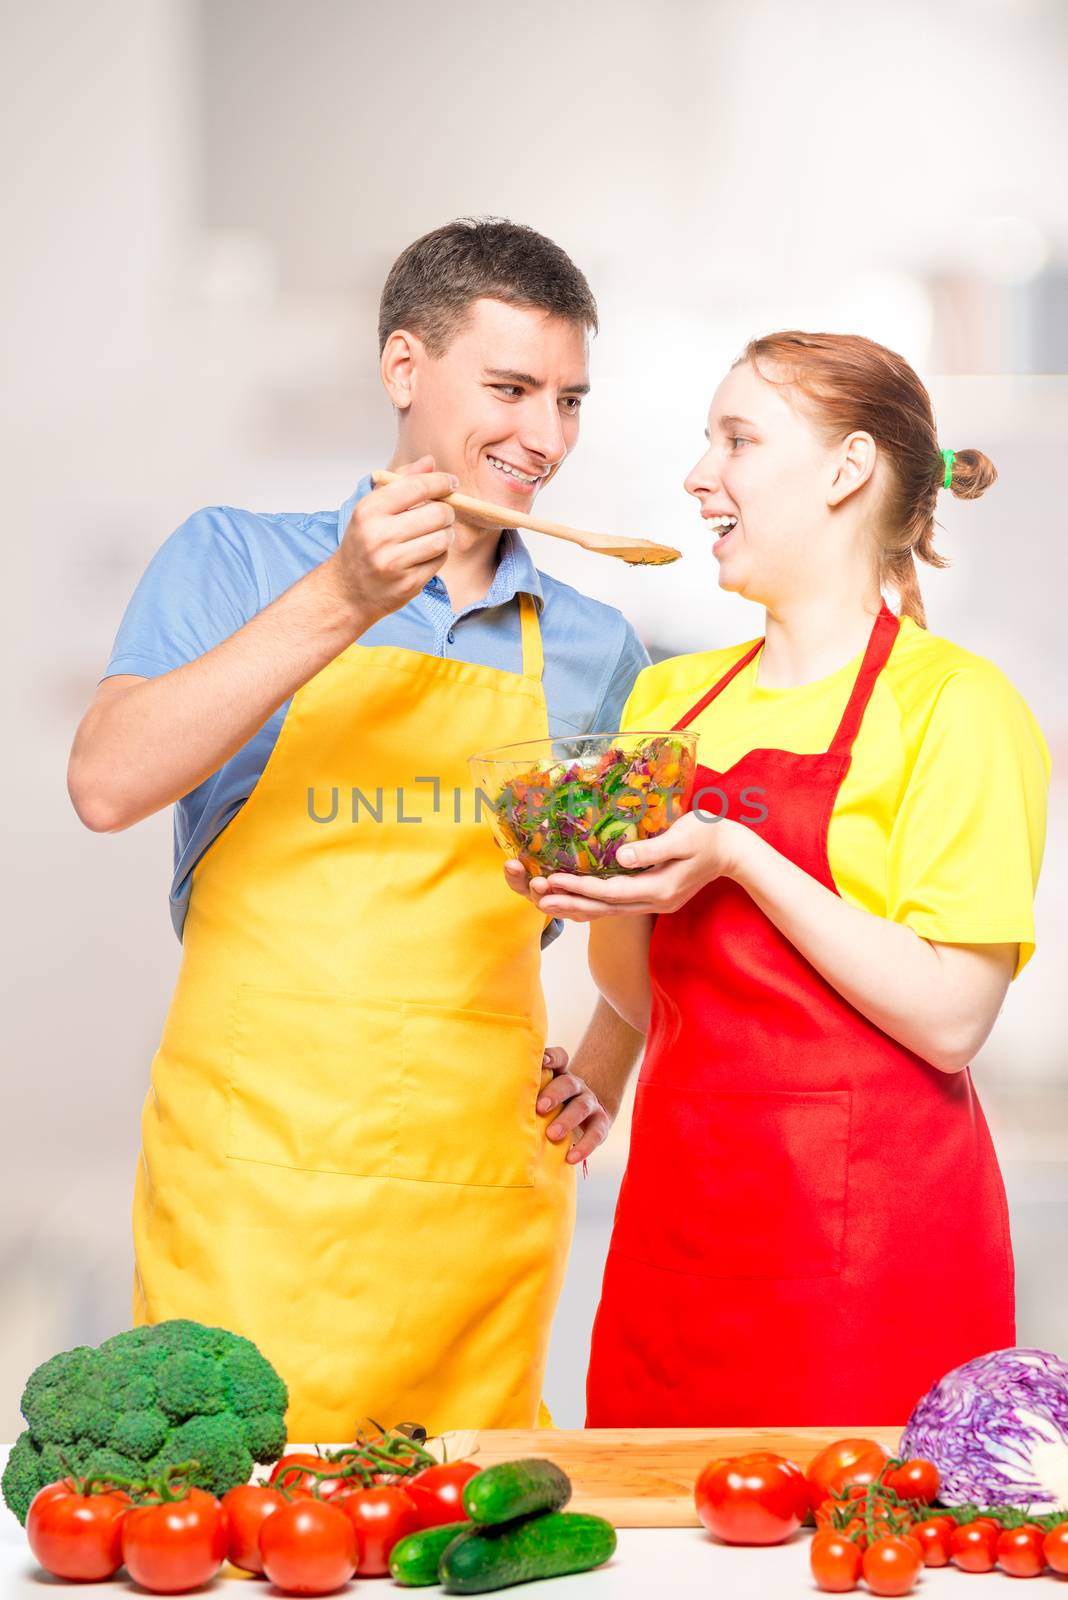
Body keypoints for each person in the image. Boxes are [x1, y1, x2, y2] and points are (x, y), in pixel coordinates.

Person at [68, 218, 650, 1439]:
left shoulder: (598, 647)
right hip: (251, 1187)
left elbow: (624, 905)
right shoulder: (236, 560)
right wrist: (343, 596)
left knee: (464, 1542)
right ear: (403, 369)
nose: (544, 438)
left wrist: (606, 1059)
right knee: (227, 1527)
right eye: (510, 388)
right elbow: (108, 782)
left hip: (475, 1208)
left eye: (570, 400)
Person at [508, 330, 1050, 1425]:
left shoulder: (955, 705)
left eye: (738, 440)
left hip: (874, 1253)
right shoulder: (671, 704)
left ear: (847, 471)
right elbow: (639, 982)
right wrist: (592, 891)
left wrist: (744, 856)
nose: (700, 475)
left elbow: (952, 1018)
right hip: (683, 1231)